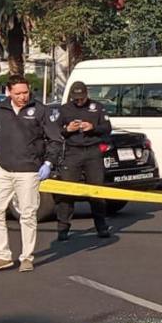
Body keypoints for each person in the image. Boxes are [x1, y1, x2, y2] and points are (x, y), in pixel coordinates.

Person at [0, 75, 61, 273]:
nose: (23, 97)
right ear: (9, 92)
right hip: (3, 169)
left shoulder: (41, 110)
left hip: (29, 170)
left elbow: (55, 139)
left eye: (25, 92)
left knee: (28, 215)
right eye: (18, 93)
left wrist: (48, 163)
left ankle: (27, 257)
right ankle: (2, 256)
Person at [53, 82, 112, 242]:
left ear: (87, 94)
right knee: (67, 190)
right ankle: (63, 228)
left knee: (96, 191)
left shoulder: (97, 107)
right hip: (72, 152)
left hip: (93, 151)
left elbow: (107, 127)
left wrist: (93, 127)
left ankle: (101, 226)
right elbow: (54, 131)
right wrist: (68, 129)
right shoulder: (64, 109)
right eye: (76, 99)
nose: (79, 101)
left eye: (82, 98)